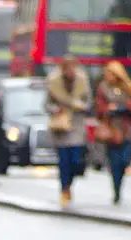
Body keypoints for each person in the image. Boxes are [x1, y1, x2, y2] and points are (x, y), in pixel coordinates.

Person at [45, 55, 91, 206]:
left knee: (76, 160)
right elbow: (46, 104)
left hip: (76, 125)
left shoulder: (82, 81)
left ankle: (69, 185)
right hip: (61, 126)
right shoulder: (53, 82)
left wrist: (82, 106)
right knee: (64, 161)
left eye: (73, 68)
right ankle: (64, 189)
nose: (71, 71)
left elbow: (88, 102)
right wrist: (55, 109)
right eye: (68, 68)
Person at [96, 61, 131, 204]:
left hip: (126, 129)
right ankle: (116, 190)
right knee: (114, 162)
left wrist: (121, 107)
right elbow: (99, 108)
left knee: (125, 160)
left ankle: (120, 180)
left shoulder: (129, 86)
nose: (108, 76)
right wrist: (108, 108)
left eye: (111, 73)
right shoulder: (103, 88)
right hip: (111, 130)